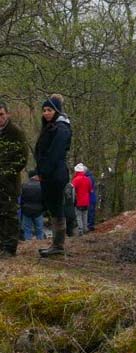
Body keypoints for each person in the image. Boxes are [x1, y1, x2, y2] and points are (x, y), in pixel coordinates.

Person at [34, 94, 72, 257]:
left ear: (56, 111)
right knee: (53, 207)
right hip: (49, 174)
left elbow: (54, 154)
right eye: (44, 110)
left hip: (55, 174)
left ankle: (58, 245)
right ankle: (56, 244)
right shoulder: (51, 127)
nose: (46, 113)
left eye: (49, 110)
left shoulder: (61, 128)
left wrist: (44, 172)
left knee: (56, 208)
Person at [0, 100, 28, 257]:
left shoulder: (15, 132)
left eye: (1, 115)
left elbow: (21, 159)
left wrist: (5, 174)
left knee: (9, 214)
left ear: (7, 114)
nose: (0, 118)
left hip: (9, 183)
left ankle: (9, 248)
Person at [20, 171, 45, 240]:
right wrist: (43, 209)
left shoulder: (24, 185)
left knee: (27, 229)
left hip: (26, 210)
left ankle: (28, 245)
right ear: (36, 176)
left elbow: (21, 199)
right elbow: (44, 199)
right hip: (39, 210)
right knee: (39, 229)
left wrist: (22, 208)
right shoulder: (42, 185)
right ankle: (40, 244)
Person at [71, 163, 92, 235]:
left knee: (79, 216)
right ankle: (85, 228)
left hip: (78, 201)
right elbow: (90, 190)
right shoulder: (87, 179)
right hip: (86, 201)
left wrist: (72, 201)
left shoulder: (75, 180)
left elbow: (72, 191)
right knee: (85, 215)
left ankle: (80, 230)